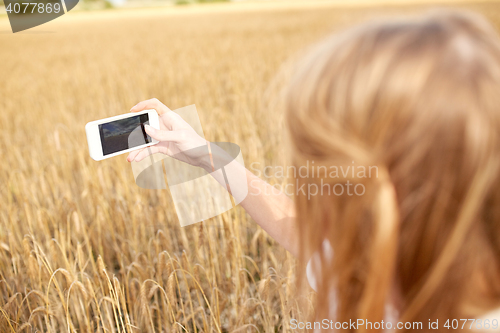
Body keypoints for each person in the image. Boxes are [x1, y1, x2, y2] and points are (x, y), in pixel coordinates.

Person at [127, 9, 500, 331]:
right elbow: (298, 229)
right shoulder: (361, 255)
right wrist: (206, 156)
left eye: (321, 162)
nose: (304, 179)